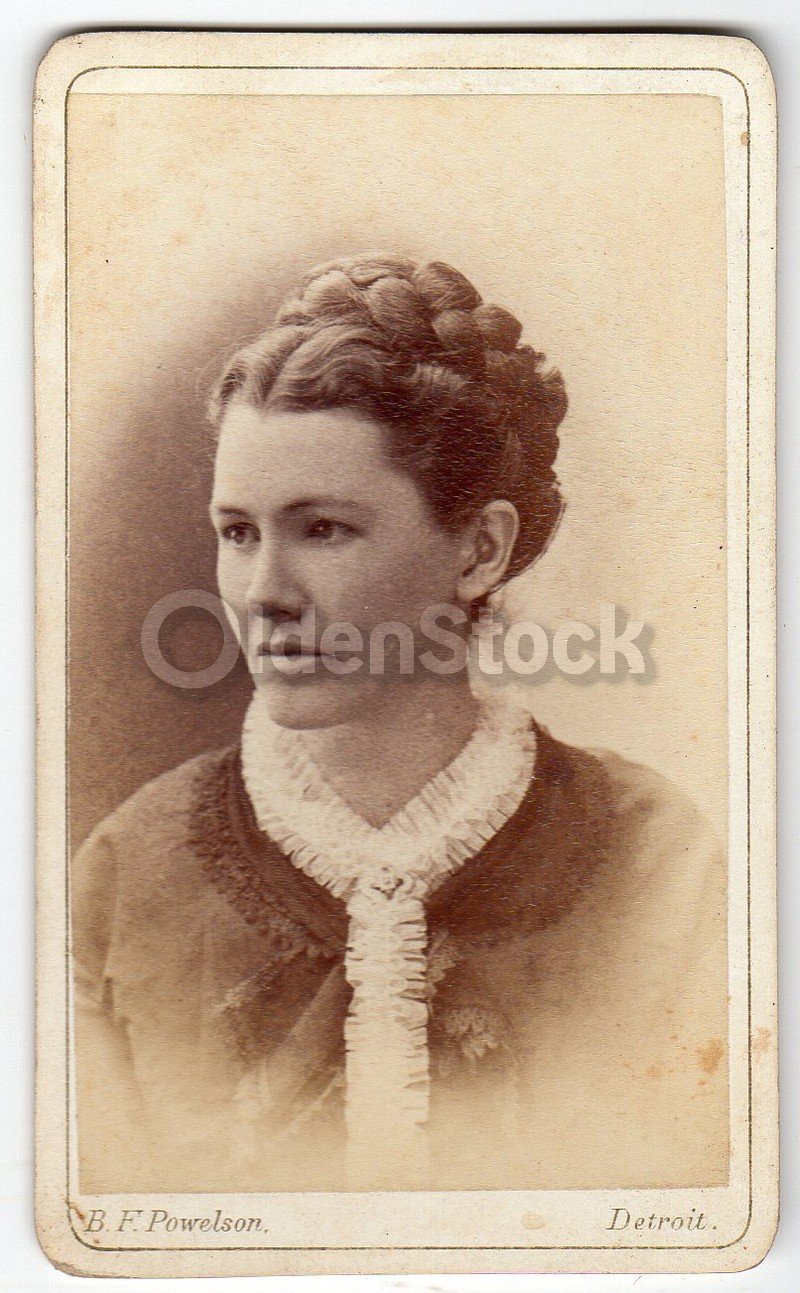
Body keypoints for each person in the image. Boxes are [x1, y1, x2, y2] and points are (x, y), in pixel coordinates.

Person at [72, 253, 728, 1194]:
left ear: (479, 549)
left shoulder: (657, 863)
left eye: (323, 529)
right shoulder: (127, 875)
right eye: (239, 532)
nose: (263, 593)